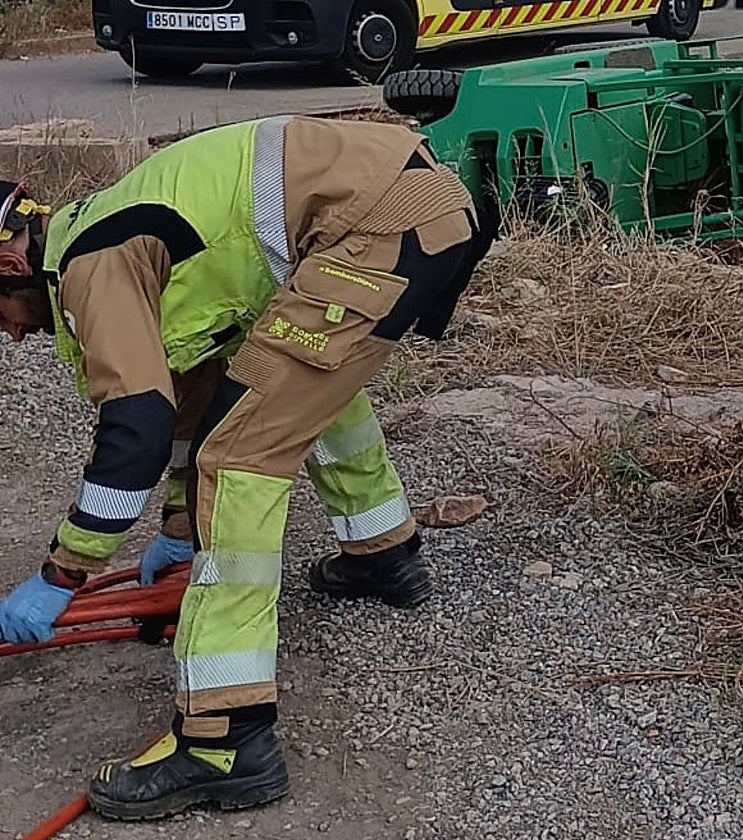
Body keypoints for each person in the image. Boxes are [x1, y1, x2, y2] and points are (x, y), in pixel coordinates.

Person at [0, 114, 497, 821]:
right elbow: (192, 386)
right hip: (416, 205)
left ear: (11, 265)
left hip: (375, 225)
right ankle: (383, 554)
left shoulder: (91, 266)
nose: (13, 335)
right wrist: (175, 524)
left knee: (237, 456)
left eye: (0, 315)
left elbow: (134, 433)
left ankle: (224, 741)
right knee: (294, 387)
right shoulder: (107, 232)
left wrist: (62, 573)